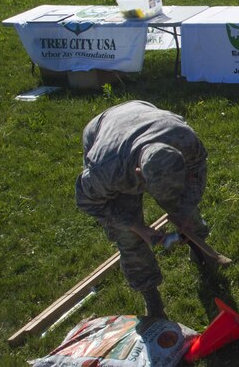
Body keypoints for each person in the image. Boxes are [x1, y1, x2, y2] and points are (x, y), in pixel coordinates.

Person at [75, 100, 212, 319]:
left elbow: (196, 172)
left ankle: (200, 248)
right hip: (105, 133)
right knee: (128, 237)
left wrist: (184, 211)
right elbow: (87, 202)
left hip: (143, 114)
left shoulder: (185, 140)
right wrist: (136, 227)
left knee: (184, 204)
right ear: (139, 174)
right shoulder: (106, 171)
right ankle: (151, 297)